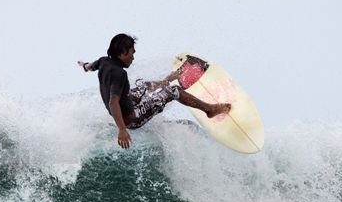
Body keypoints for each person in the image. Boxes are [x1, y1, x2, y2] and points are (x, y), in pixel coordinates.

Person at [78, 34, 231, 149]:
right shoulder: (119, 74)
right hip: (132, 118)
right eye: (132, 53)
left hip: (128, 102)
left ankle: (167, 79)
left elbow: (91, 66)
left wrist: (84, 66)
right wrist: (122, 130)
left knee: (142, 85)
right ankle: (210, 110)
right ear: (124, 52)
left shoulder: (104, 61)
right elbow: (113, 102)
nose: (133, 57)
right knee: (173, 91)